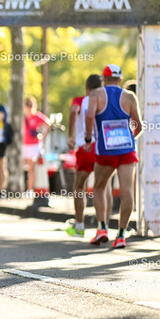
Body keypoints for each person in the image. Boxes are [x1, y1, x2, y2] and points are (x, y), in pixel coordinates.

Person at [85, 64, 142, 248]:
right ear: (120, 79)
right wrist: (128, 139)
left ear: (104, 78)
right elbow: (139, 125)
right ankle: (121, 235)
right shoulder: (130, 96)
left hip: (106, 150)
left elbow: (90, 116)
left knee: (99, 187)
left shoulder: (96, 94)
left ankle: (102, 228)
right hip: (127, 150)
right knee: (127, 191)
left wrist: (88, 139)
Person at [65, 74, 104, 237]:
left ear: (86, 87)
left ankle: (80, 226)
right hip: (103, 147)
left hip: (86, 147)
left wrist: (70, 135)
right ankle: (103, 227)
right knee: (103, 188)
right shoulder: (105, 101)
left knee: (79, 187)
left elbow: (74, 110)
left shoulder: (80, 100)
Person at [22, 96, 51, 194]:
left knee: (31, 168)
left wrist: (42, 136)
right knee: (22, 167)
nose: (29, 107)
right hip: (24, 145)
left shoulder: (37, 116)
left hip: (34, 145)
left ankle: (29, 190)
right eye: (27, 105)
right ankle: (21, 188)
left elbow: (48, 124)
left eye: (31, 105)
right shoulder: (23, 117)